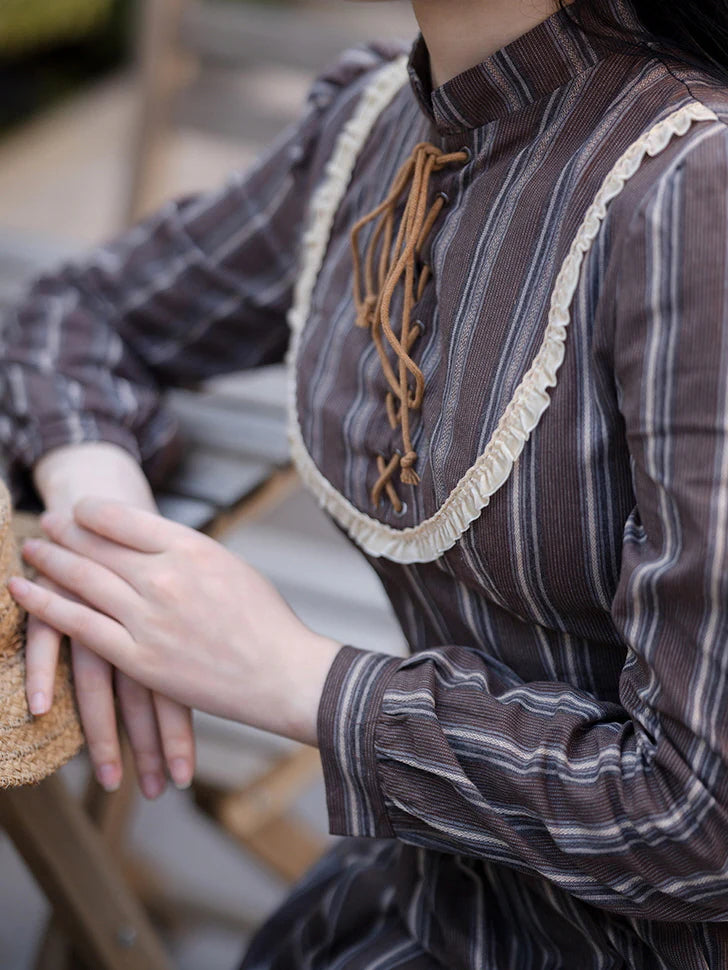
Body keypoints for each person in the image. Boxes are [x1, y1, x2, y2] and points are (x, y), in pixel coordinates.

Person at [2, 0, 728, 964]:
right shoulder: (377, 128)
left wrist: (294, 676)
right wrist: (107, 525)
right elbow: (79, 309)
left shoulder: (691, 192)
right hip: (442, 895)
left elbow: (702, 814)